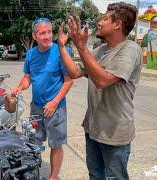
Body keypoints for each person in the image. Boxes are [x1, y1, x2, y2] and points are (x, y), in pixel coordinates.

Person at [57, 2, 142, 179]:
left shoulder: (131, 49)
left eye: (104, 19)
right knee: (95, 175)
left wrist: (81, 47)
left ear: (117, 24)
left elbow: (103, 80)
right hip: (93, 128)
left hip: (115, 133)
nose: (99, 22)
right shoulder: (99, 50)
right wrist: (62, 47)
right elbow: (74, 72)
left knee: (116, 177)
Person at [11, 18, 73, 180]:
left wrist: (54, 102)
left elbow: (69, 80)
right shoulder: (31, 54)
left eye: (49, 32)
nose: (46, 36)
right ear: (34, 36)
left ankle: (52, 178)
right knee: (33, 143)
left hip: (56, 108)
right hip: (36, 107)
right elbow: (27, 78)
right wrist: (19, 87)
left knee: (56, 144)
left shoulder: (60, 51)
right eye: (42, 33)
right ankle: (33, 174)